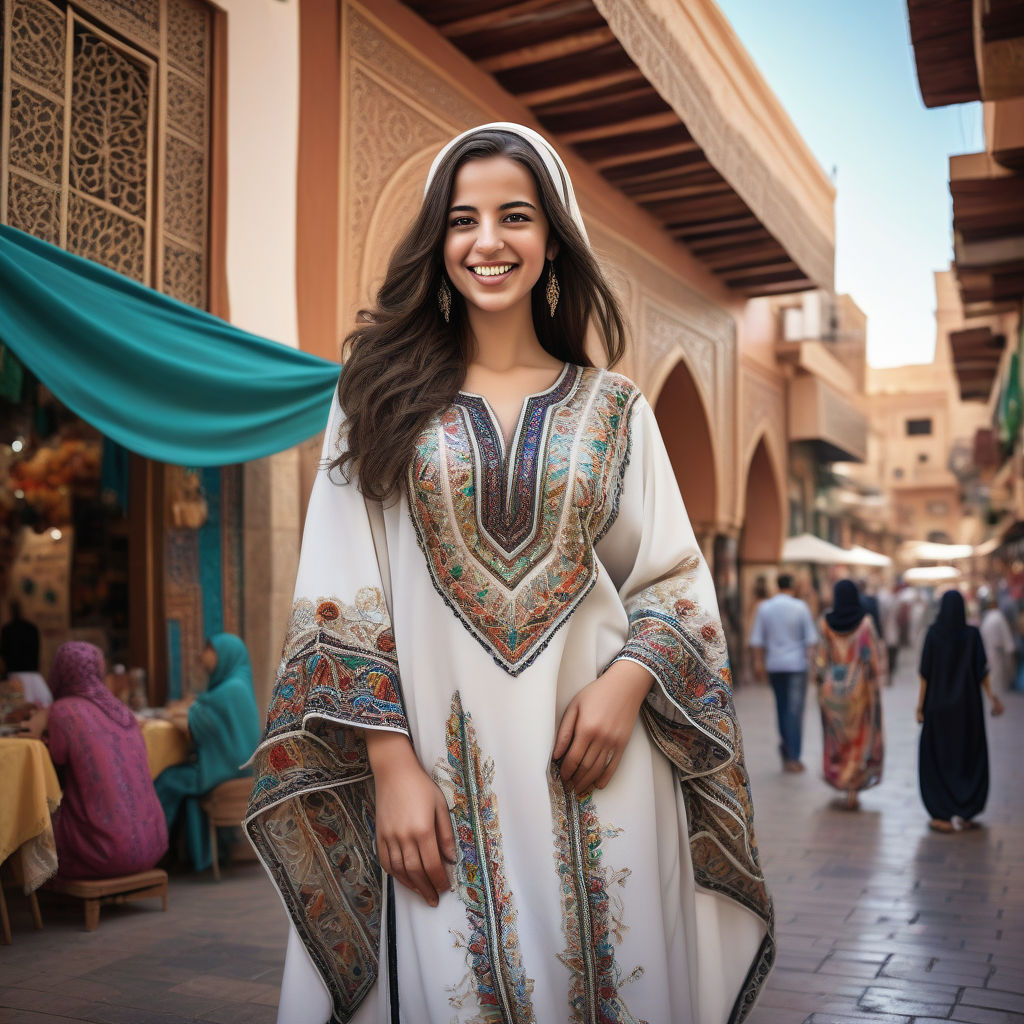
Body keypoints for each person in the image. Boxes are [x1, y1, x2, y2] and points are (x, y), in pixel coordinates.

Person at [245, 124, 774, 1024]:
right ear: (437, 241)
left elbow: (675, 581)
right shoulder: (373, 394)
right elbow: (341, 586)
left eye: (514, 217)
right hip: (439, 793)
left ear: (553, 237)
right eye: (463, 220)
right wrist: (388, 763)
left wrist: (625, 685)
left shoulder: (617, 409)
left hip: (604, 775)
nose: (488, 241)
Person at [15, 642, 167, 878]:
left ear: (60, 671)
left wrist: (41, 726)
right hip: (153, 847)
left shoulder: (63, 711)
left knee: (27, 819)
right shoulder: (121, 709)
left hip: (102, 853)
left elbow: (56, 762)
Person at [153, 633, 261, 872]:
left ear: (225, 655)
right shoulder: (238, 682)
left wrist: (167, 714)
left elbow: (190, 722)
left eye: (209, 649)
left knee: (167, 781)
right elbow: (197, 708)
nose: (203, 655)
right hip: (240, 770)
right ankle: (196, 857)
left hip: (227, 774)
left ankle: (150, 848)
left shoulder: (230, 690)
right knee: (186, 790)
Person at [917, 590, 1004, 833]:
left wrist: (919, 707)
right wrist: (993, 698)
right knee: (968, 757)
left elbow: (924, 674)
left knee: (937, 759)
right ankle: (967, 809)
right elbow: (982, 672)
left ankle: (941, 814)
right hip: (968, 711)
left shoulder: (933, 635)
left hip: (937, 709)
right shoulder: (972, 635)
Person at [816, 579, 885, 810]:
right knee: (858, 739)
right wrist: (877, 683)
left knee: (837, 738)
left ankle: (841, 779)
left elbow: (820, 660)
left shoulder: (825, 623)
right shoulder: (865, 624)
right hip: (859, 692)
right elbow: (872, 658)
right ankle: (853, 787)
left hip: (832, 692)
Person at [749, 572, 818, 772]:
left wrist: (758, 663)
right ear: (793, 586)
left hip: (774, 665)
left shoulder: (765, 608)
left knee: (781, 708)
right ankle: (793, 756)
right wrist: (811, 664)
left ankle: (787, 749)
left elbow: (757, 640)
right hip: (797, 665)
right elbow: (811, 640)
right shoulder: (800, 607)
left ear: (777, 586)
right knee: (795, 712)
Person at [980, 590, 1015, 694]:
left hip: (990, 649)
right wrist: (1010, 648)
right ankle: (998, 691)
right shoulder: (999, 617)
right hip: (997, 649)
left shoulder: (988, 618)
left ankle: (994, 690)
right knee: (998, 672)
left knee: (993, 671)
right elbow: (1005, 634)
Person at [0, 600, 40, 673]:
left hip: (13, 671)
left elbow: (4, 652)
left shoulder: (7, 629)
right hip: (30, 671)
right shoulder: (32, 629)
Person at [876, 582, 899, 681]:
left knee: (890, 654)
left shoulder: (889, 604)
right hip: (891, 633)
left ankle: (889, 673)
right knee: (890, 654)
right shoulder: (893, 602)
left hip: (890, 633)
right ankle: (889, 673)